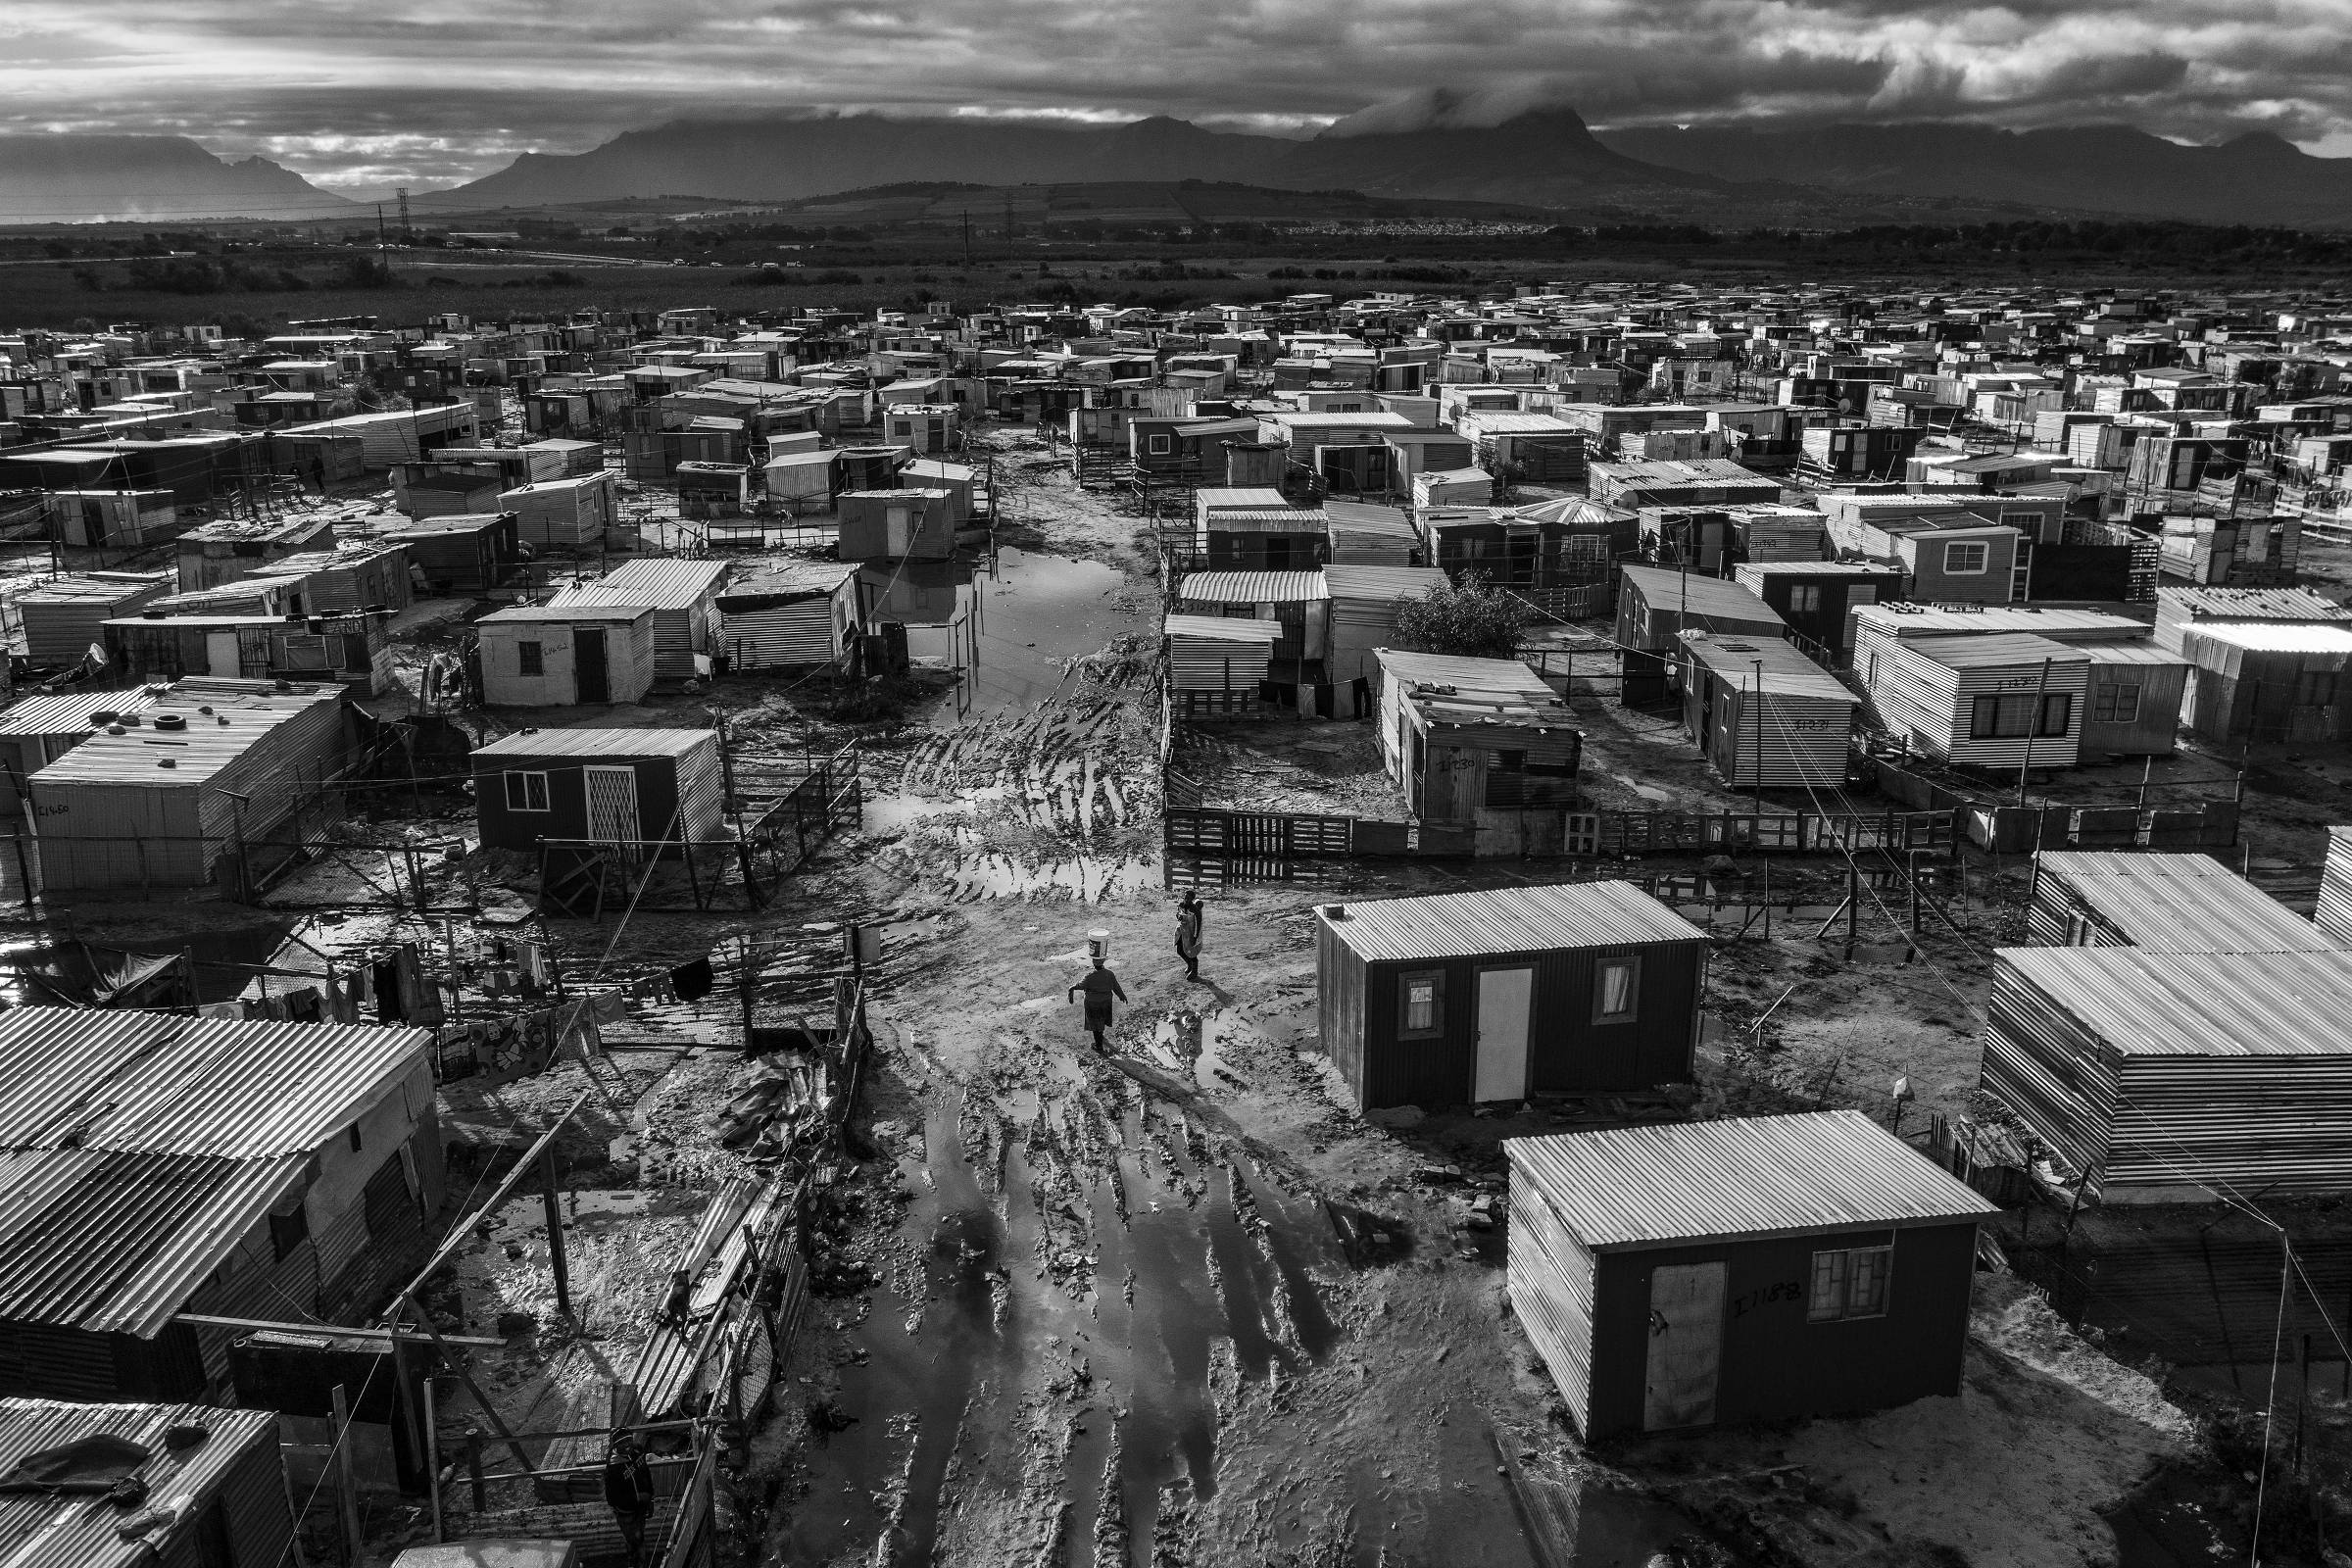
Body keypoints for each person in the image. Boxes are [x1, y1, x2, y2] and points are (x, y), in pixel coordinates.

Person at [603, 1427, 654, 1565]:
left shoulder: (637, 1451)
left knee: (637, 1537)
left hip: (641, 1508)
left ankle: (635, 1560)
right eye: (622, 1442)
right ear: (615, 1445)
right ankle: (638, 1563)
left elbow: (646, 1474)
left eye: (628, 1440)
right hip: (626, 1513)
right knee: (636, 1538)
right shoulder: (613, 1469)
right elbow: (612, 1499)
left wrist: (650, 1499)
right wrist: (638, 1497)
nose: (627, 1445)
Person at [1068, 956, 1126, 1053]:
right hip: (1106, 1002)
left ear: (1093, 964)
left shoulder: (1089, 976)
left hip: (1092, 1003)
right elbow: (1116, 986)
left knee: (1095, 1024)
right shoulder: (1109, 974)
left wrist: (1072, 988)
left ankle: (1098, 1047)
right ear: (1103, 962)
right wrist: (1122, 996)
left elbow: (1080, 985)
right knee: (1102, 1020)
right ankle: (1100, 1037)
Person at [1174, 892, 1204, 982]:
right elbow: (1178, 914)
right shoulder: (1181, 905)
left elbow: (1198, 925)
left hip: (1191, 933)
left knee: (1192, 952)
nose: (1186, 900)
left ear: (1192, 899)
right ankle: (1189, 965)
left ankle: (1194, 971)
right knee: (1179, 950)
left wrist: (1195, 937)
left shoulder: (1195, 910)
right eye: (1185, 898)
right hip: (1181, 931)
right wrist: (1179, 917)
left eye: (1188, 898)